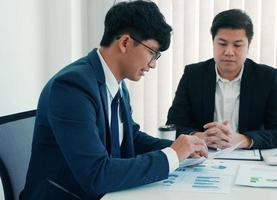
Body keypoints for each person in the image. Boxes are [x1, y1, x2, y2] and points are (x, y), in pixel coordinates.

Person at [22, 1, 208, 199]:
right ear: (125, 42)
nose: (153, 64)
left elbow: (131, 138)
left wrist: (182, 147)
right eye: (152, 52)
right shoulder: (72, 86)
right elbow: (96, 174)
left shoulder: (115, 83)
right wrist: (172, 156)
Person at [166, 9, 277, 150]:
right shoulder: (193, 75)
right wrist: (201, 137)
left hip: (248, 159)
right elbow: (173, 126)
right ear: (213, 42)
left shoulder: (267, 78)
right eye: (222, 43)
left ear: (248, 46)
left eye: (237, 45)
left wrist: (244, 139)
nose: (229, 52)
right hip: (203, 156)